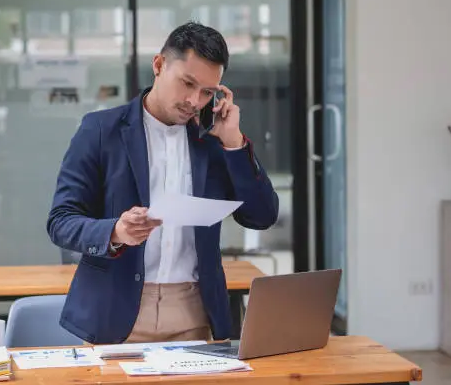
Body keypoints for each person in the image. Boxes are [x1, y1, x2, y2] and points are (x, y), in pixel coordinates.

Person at [46, 21, 279, 345]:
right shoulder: (101, 130)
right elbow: (61, 221)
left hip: (196, 314)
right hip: (117, 312)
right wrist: (115, 232)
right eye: (187, 83)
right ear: (158, 65)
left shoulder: (214, 140)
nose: (195, 100)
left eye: (208, 92)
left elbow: (262, 216)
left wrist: (234, 142)